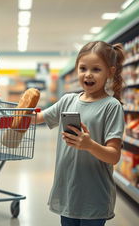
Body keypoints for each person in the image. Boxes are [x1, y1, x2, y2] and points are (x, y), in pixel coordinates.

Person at [36, 41, 125, 226]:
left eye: (96, 69)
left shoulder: (111, 106)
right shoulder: (67, 100)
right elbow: (37, 118)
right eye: (83, 68)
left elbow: (114, 156)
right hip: (68, 192)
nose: (88, 74)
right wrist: (11, 114)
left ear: (110, 71)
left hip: (94, 195)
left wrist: (89, 145)